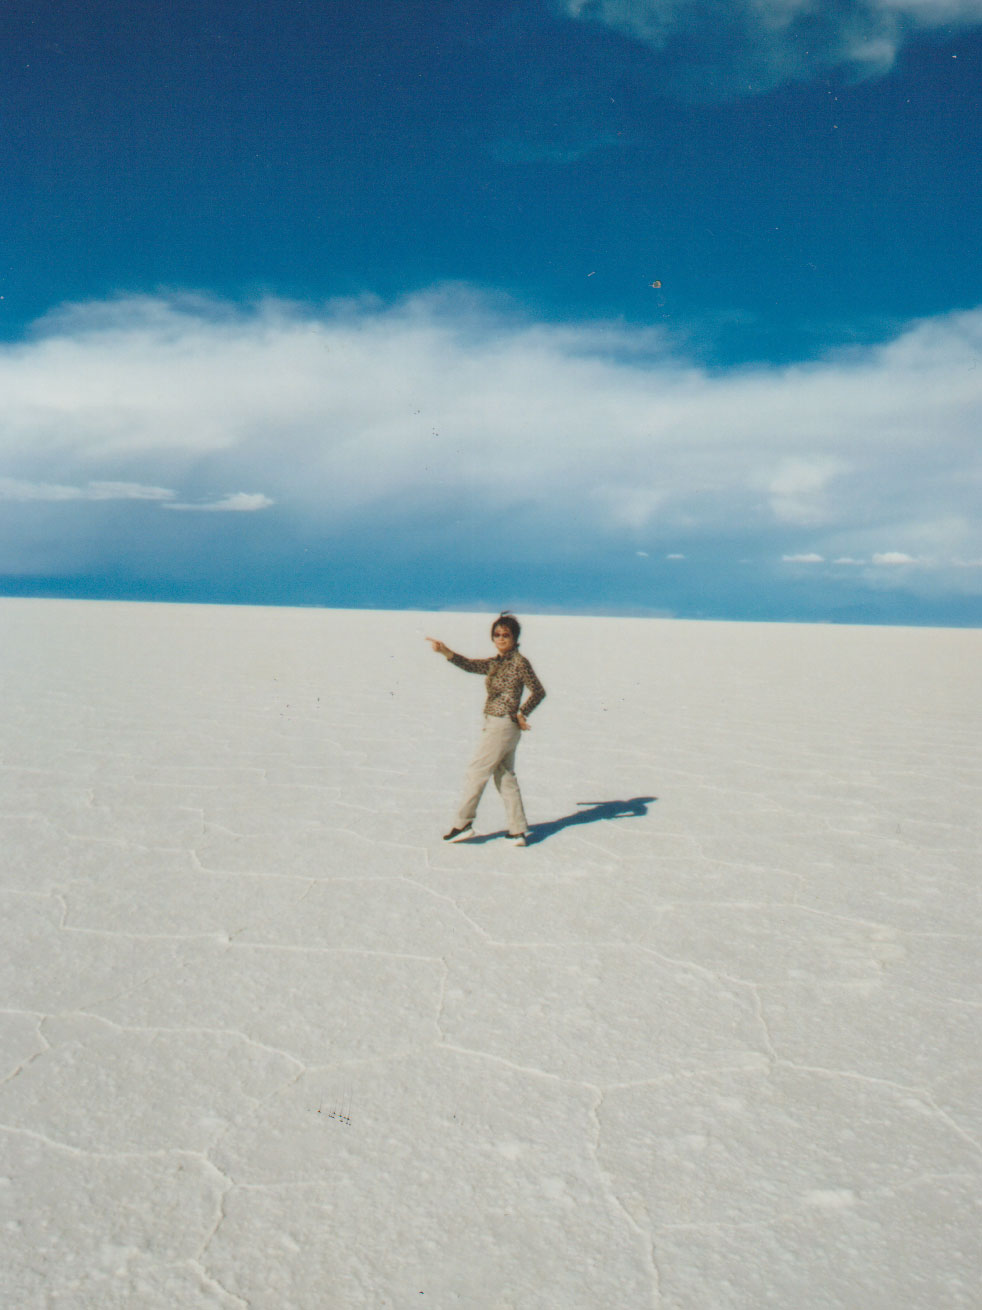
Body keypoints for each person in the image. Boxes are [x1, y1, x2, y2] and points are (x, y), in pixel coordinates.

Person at [426, 613, 545, 846]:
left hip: (502, 724)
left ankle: (463, 824)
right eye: (497, 634)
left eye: (506, 635)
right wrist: (446, 652)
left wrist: (522, 713)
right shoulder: (496, 663)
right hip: (501, 725)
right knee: (505, 776)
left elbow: (538, 691)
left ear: (515, 638)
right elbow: (471, 665)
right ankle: (518, 830)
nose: (501, 638)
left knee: (477, 772)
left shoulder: (519, 662)